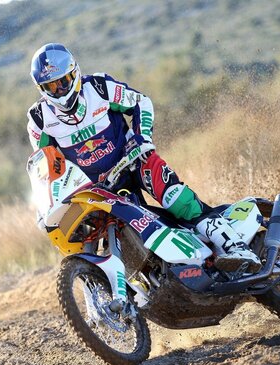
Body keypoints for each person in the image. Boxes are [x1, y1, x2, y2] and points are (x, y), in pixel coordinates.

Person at [26, 43, 260, 272]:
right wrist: (45, 203)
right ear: (41, 88)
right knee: (99, 237)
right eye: (51, 86)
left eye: (63, 81)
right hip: (95, 189)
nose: (60, 90)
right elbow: (46, 164)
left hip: (133, 161)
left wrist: (141, 136)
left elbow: (140, 102)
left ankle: (237, 247)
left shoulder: (99, 87)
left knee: (177, 199)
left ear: (74, 73)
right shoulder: (39, 119)